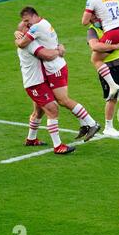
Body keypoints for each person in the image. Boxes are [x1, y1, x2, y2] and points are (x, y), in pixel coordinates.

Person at [15, 7, 100, 142]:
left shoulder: (36, 28)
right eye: (25, 23)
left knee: (62, 100)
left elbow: (22, 44)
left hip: (55, 69)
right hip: (50, 70)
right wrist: (17, 33)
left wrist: (18, 36)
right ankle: (32, 138)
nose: (27, 25)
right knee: (40, 109)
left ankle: (91, 123)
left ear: (34, 16)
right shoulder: (44, 23)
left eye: (27, 21)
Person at [15, 22, 75, 154]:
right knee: (53, 109)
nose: (31, 27)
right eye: (27, 27)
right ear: (22, 32)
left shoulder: (28, 41)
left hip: (39, 82)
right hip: (35, 84)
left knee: (39, 111)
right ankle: (58, 146)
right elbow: (47, 55)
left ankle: (31, 139)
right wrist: (59, 50)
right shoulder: (30, 44)